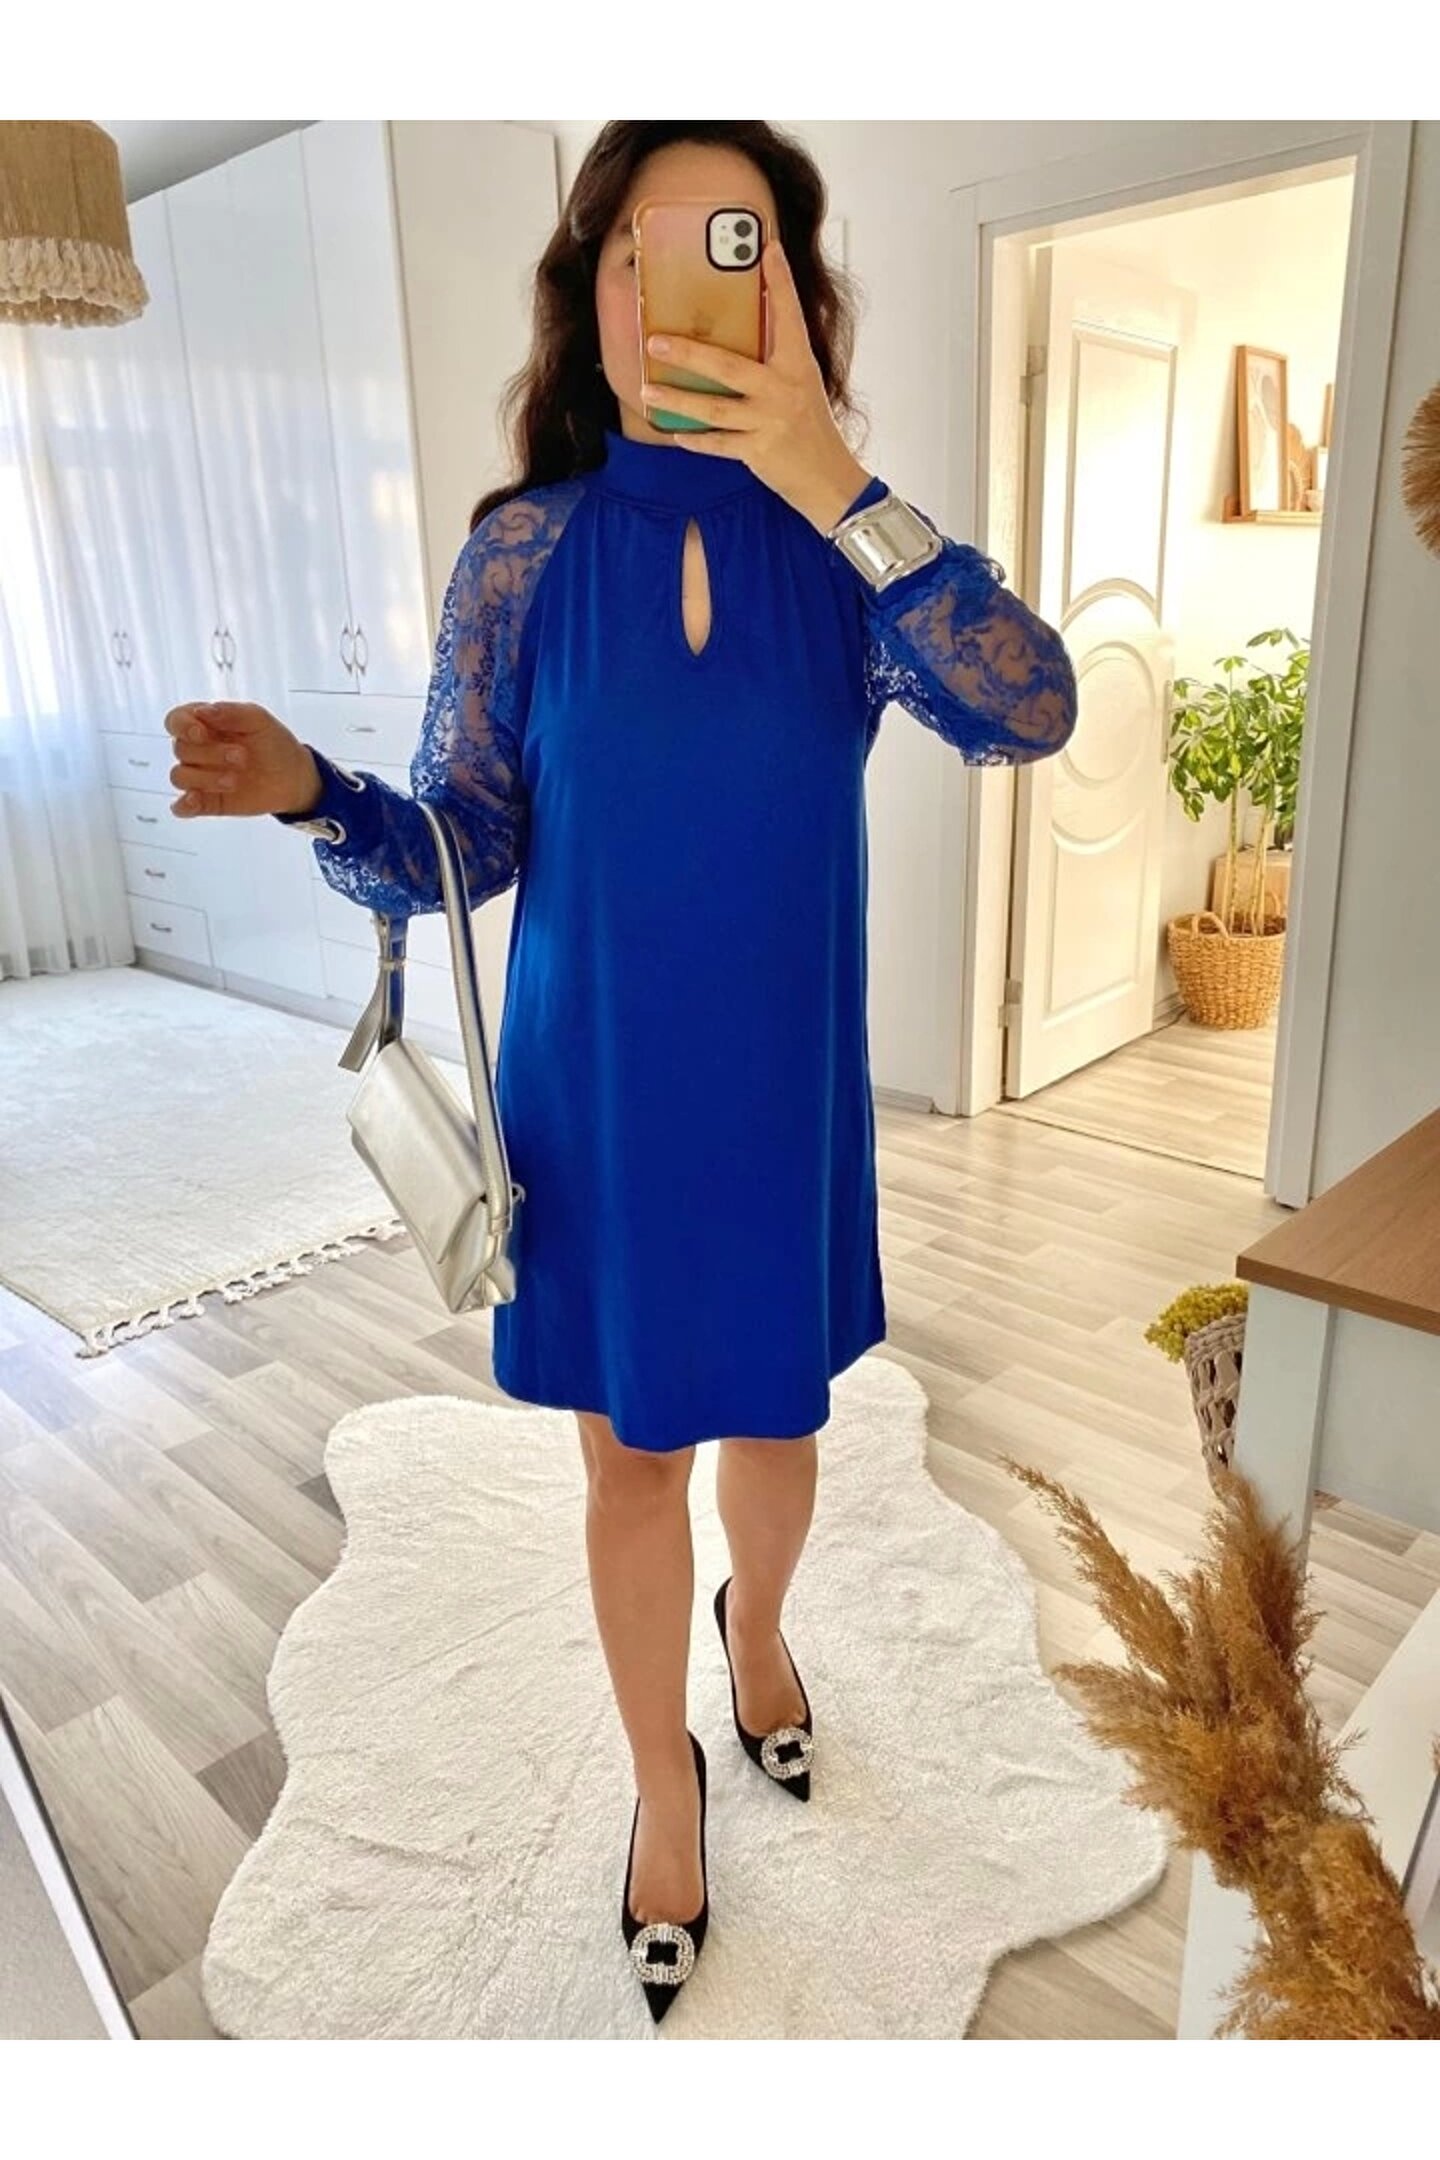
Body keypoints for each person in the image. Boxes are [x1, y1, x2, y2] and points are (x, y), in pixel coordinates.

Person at [163, 119, 1078, 2025]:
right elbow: (464, 847)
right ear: (590, 292)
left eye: (732, 246)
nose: (680, 289)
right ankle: (665, 1781)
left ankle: (764, 1639)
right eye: (640, 250)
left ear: (793, 296)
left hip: (782, 1090)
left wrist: (832, 474)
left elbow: (1030, 707)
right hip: (595, 1093)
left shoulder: (853, 554)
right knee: (632, 1453)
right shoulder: (525, 553)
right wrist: (317, 794)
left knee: (782, 1422)